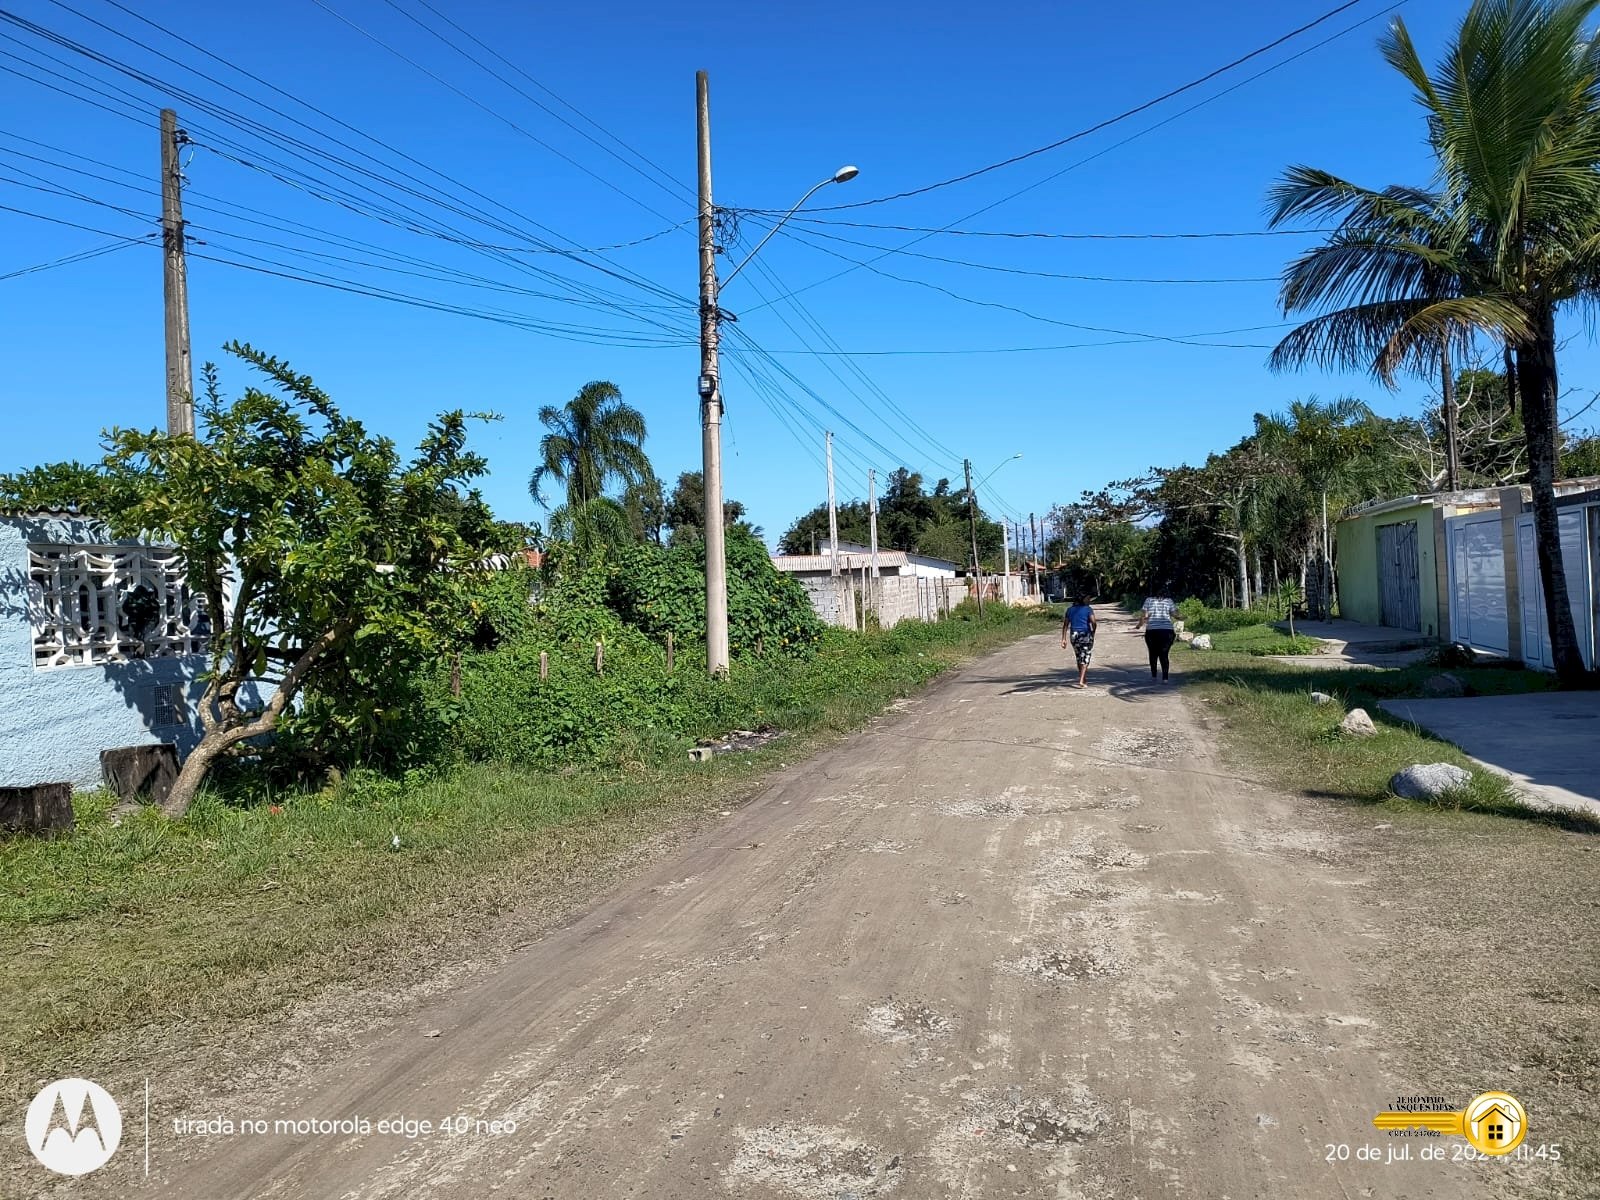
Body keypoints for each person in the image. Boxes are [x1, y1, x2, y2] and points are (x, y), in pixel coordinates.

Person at [1133, 586, 1178, 682]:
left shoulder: (1149, 600)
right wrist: (1183, 617)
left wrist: (1139, 625)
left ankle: (1154, 676)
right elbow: (1175, 615)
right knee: (1164, 654)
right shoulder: (1169, 601)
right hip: (1167, 631)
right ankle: (1165, 678)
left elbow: (1144, 617)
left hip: (1152, 631)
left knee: (1153, 653)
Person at [1060, 595, 1097, 689]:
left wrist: (1063, 639)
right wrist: (1093, 632)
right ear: (1083, 600)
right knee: (1086, 657)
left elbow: (1065, 625)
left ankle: (1083, 679)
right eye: (1087, 599)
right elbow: (1093, 622)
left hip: (1074, 635)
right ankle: (1081, 680)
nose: (1089, 600)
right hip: (1085, 635)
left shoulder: (1070, 610)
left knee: (1079, 657)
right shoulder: (1088, 609)